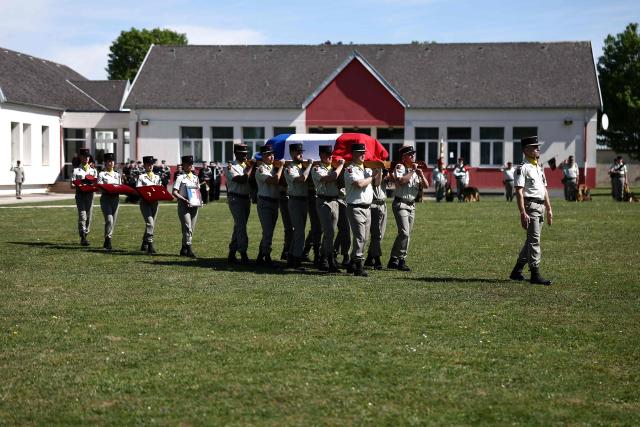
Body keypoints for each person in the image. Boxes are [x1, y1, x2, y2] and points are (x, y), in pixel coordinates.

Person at [510, 136, 553, 285]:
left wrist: (549, 208)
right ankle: (535, 274)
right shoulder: (523, 168)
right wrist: (522, 212)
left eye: (538, 147)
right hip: (531, 207)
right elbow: (519, 192)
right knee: (535, 241)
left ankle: (517, 271)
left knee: (531, 241)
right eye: (535, 147)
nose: (538, 149)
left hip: (540, 206)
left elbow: (544, 189)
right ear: (526, 150)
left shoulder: (538, 167)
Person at [388, 145, 429, 271]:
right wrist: (412, 171)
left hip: (412, 205)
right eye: (410, 154)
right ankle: (401, 260)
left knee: (406, 234)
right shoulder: (400, 167)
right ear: (403, 157)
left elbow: (426, 186)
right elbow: (400, 181)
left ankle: (394, 259)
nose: (412, 156)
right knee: (404, 233)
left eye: (413, 154)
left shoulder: (416, 171)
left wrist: (421, 175)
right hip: (401, 204)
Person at [344, 143, 380, 277]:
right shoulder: (350, 169)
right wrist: (372, 177)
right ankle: (358, 266)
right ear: (353, 154)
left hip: (367, 207)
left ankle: (352, 262)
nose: (363, 155)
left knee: (365, 238)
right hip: (356, 207)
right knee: (359, 237)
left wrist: (378, 171)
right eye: (360, 153)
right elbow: (359, 184)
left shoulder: (367, 169)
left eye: (364, 152)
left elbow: (377, 183)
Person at [311, 145, 345, 272]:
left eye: (331, 154)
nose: (330, 156)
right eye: (327, 154)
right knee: (329, 231)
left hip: (335, 200)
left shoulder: (334, 167)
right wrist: (341, 165)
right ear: (321, 155)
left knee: (330, 233)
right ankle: (329, 259)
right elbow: (331, 178)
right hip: (323, 201)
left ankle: (323, 257)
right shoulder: (316, 168)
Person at [285, 143, 313, 269]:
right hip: (295, 201)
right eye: (297, 152)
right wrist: (311, 165)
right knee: (300, 231)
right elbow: (302, 178)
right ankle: (296, 259)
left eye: (301, 152)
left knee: (299, 231)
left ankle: (291, 256)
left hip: (303, 200)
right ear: (291, 153)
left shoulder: (302, 166)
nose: (300, 154)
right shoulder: (289, 168)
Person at [255, 145, 283, 266]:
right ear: (262, 156)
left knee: (269, 231)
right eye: (267, 155)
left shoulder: (274, 168)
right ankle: (266, 256)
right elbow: (274, 180)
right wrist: (281, 167)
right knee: (267, 231)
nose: (271, 157)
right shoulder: (261, 169)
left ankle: (261, 255)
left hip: (274, 202)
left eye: (272, 154)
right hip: (265, 202)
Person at [225, 144, 253, 264]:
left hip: (246, 199)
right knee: (241, 226)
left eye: (246, 153)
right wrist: (251, 168)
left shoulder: (246, 165)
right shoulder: (231, 167)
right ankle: (243, 253)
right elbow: (242, 180)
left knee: (239, 226)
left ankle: (232, 252)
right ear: (236, 153)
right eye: (242, 153)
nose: (245, 155)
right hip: (235, 199)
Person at [172, 155, 200, 257]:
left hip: (194, 206)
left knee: (190, 228)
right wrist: (183, 199)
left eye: (191, 164)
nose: (189, 166)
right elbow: (174, 192)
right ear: (183, 165)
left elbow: (197, 192)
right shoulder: (180, 177)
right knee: (187, 226)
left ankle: (183, 248)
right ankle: (189, 248)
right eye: (187, 164)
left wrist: (200, 201)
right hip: (183, 205)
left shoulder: (196, 178)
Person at [71, 148, 97, 246]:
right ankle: (83, 236)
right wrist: (81, 184)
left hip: (90, 195)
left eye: (88, 156)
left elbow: (96, 183)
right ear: (81, 157)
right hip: (80, 195)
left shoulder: (93, 171)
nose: (86, 158)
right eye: (84, 156)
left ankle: (86, 233)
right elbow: (72, 185)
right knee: (82, 216)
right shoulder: (76, 170)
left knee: (89, 217)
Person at [137, 156, 162, 255]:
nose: (150, 166)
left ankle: (144, 241)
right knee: (150, 223)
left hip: (154, 203)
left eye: (151, 164)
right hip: (145, 202)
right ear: (144, 165)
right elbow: (139, 189)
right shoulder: (141, 177)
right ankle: (150, 245)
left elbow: (160, 188)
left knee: (151, 224)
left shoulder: (157, 177)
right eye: (148, 164)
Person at [97, 153, 122, 250]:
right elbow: (99, 187)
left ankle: (107, 239)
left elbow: (120, 186)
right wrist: (108, 189)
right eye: (109, 161)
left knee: (113, 221)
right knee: (109, 219)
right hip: (106, 199)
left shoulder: (117, 175)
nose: (111, 163)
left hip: (115, 199)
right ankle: (108, 239)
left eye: (112, 161)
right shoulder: (102, 174)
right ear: (105, 163)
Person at [364, 167, 387, 270]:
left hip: (382, 204)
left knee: (380, 234)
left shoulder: (383, 167)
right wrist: (379, 170)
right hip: (373, 205)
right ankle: (377, 259)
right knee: (376, 234)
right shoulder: (369, 169)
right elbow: (377, 183)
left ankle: (370, 258)